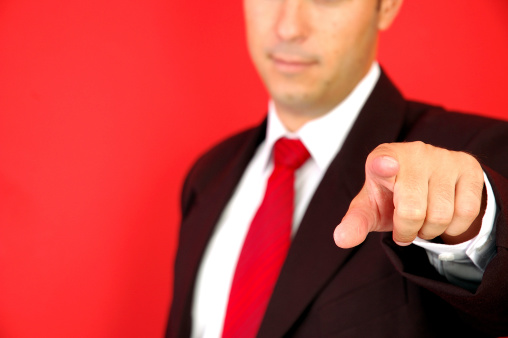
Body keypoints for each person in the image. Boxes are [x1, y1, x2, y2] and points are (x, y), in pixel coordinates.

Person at [167, 0, 508, 337]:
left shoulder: (477, 157)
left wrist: (475, 227)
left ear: (386, 6)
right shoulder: (209, 174)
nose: (287, 28)